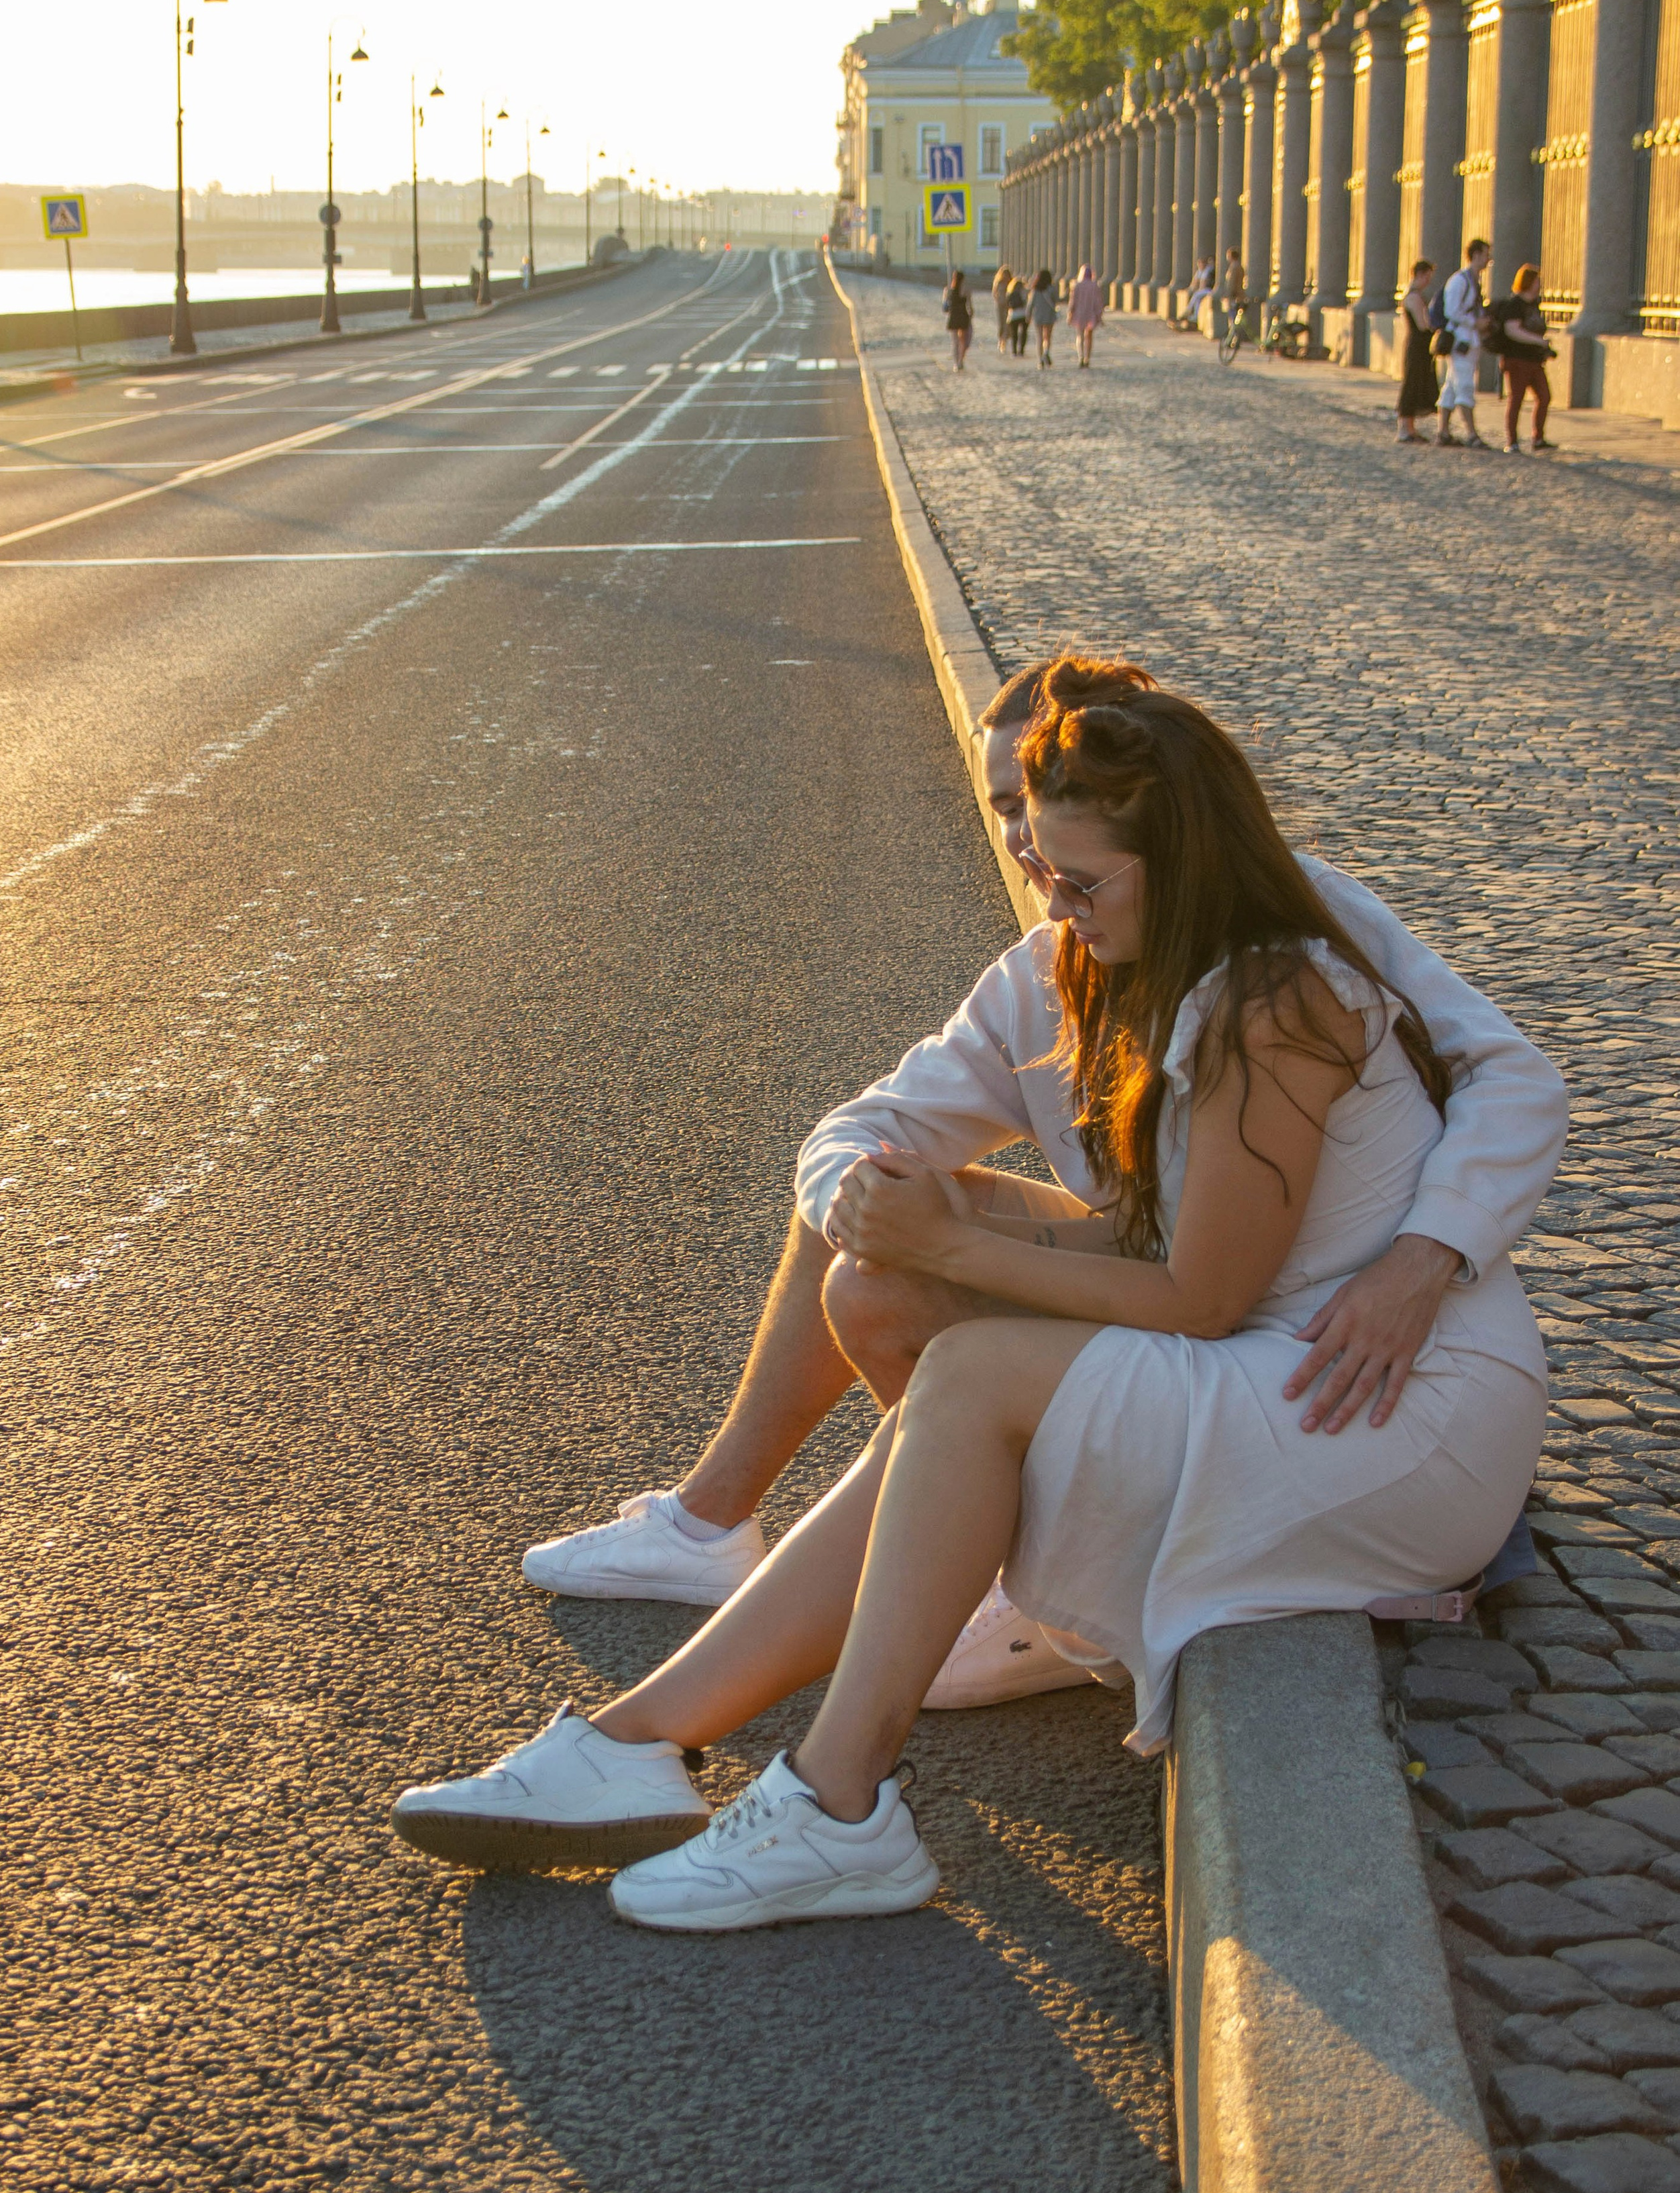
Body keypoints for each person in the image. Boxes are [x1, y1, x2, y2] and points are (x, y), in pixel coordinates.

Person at [392, 671, 1555, 1931]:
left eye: (1080, 878)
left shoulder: (1274, 996)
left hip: (1398, 1402)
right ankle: (642, 1735)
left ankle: (836, 1805)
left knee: (976, 1367)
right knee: (932, 1289)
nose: (1050, 898)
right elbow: (1157, 1234)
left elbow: (1205, 1296)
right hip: (1295, 1358)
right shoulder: (1131, 964)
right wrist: (926, 1225)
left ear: (1184, 860)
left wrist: (1426, 1250)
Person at [1489, 264, 1555, 453]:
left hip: (1535, 360)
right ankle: (1512, 441)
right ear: (1528, 283)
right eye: (1536, 281)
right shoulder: (1515, 305)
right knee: (1516, 399)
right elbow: (1512, 330)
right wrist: (1537, 340)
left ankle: (1538, 437)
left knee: (1544, 396)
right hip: (1517, 360)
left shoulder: (1534, 305)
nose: (1539, 285)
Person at [1436, 238, 1491, 449]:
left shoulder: (1474, 280)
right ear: (1476, 255)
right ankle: (1471, 434)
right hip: (1461, 341)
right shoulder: (1460, 281)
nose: (1488, 260)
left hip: (1470, 339)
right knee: (1465, 385)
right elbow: (1451, 311)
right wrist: (1474, 322)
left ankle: (1443, 432)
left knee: (1451, 386)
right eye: (1486, 254)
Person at [1396, 258, 1440, 444]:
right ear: (1420, 275)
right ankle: (1404, 429)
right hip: (1418, 346)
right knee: (1411, 384)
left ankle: (1410, 428)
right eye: (1427, 277)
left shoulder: (1415, 296)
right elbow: (1423, 325)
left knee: (1416, 383)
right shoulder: (1413, 297)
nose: (1428, 282)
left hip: (1419, 346)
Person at [1068, 263, 1105, 366]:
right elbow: (1098, 302)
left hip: (1079, 314)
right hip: (1091, 314)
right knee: (1089, 337)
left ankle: (1080, 357)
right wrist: (1100, 316)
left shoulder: (1077, 286)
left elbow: (1073, 301)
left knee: (1080, 336)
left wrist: (1070, 313)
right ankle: (1087, 358)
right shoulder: (1095, 286)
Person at [943, 268, 973, 373]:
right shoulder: (966, 290)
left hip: (953, 317)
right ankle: (960, 360)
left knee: (955, 342)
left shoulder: (948, 290)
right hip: (963, 316)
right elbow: (970, 305)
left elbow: (945, 306)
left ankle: (956, 363)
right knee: (963, 341)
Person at [1029, 270, 1058, 368]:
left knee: (1039, 338)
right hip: (1049, 316)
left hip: (1038, 316)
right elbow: (1055, 301)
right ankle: (1046, 352)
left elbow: (1031, 304)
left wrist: (1028, 315)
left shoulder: (1035, 290)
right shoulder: (1052, 289)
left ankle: (1040, 359)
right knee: (1048, 337)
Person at [1004, 273, 1030, 358]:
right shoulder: (1024, 291)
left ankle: (1014, 352)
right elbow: (1026, 303)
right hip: (1023, 315)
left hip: (1013, 316)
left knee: (1014, 334)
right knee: (1024, 333)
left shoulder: (1010, 292)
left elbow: (1007, 304)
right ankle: (1021, 351)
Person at [991, 263, 1014, 354]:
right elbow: (994, 293)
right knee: (1001, 324)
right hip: (1000, 306)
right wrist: (997, 300)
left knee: (1007, 324)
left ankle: (1004, 342)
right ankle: (1001, 340)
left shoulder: (1011, 283)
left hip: (1008, 306)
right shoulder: (999, 283)